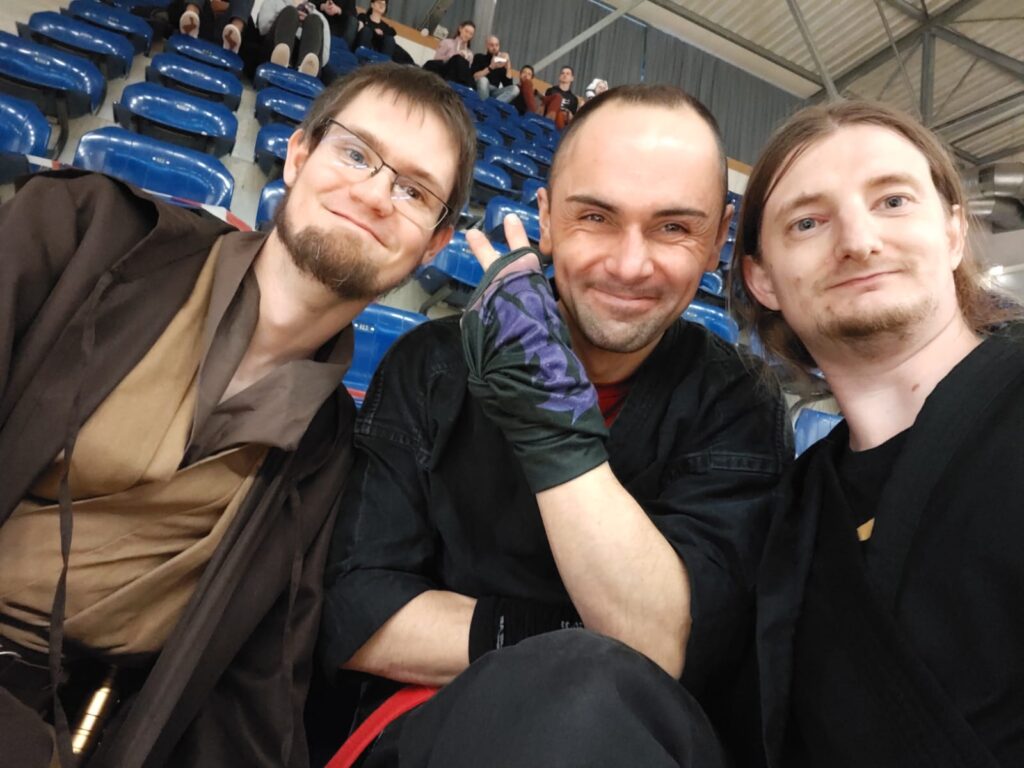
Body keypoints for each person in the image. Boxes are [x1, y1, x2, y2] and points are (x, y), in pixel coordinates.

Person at [0, 63, 475, 768]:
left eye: (413, 191)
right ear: (299, 153)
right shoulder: (84, 234)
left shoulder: (329, 461)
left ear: (434, 244)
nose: (375, 194)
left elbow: (257, 702)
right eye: (356, 154)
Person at [321, 85, 791, 767]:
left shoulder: (740, 401)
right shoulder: (431, 364)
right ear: (544, 217)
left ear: (719, 238)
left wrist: (549, 410)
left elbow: (669, 645)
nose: (629, 265)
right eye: (595, 217)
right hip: (425, 726)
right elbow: (359, 610)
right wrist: (570, 636)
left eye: (672, 227)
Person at [731, 100, 1024, 767]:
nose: (858, 241)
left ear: (953, 232)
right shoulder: (789, 519)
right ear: (762, 278)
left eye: (892, 201)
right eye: (808, 222)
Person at [257, 0, 331, 76]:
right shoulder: (274, 2)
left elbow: (324, 58)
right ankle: (280, 58)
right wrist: (287, 17)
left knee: (314, 20)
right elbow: (263, 29)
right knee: (290, 12)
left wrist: (305, 25)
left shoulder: (320, 17)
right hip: (275, 46)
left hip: (305, 51)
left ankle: (307, 67)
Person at [173, 0, 253, 52]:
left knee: (239, 13)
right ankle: (191, 15)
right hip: (201, 18)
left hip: (226, 25)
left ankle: (234, 32)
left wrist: (226, 6)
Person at [423, 19, 475, 87]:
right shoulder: (447, 42)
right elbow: (436, 59)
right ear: (460, 29)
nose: (467, 35)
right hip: (445, 72)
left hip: (459, 78)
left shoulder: (470, 54)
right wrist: (455, 55)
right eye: (466, 31)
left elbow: (467, 72)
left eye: (471, 34)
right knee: (458, 59)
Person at [470, 34, 519, 104]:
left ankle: (492, 105)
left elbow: (508, 85)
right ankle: (485, 106)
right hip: (481, 87)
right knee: (483, 80)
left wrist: (508, 64)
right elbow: (474, 76)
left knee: (515, 89)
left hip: (494, 91)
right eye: (492, 45)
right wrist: (491, 67)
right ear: (487, 46)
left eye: (497, 45)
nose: (494, 47)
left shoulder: (501, 65)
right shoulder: (479, 57)